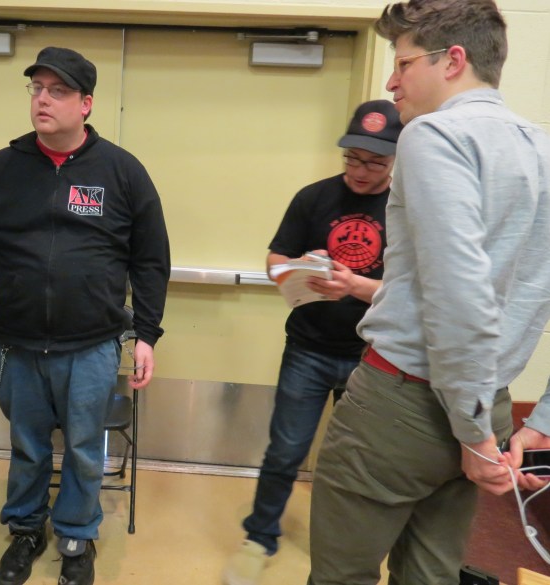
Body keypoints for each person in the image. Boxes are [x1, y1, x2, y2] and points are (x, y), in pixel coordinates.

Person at [306, 1, 550, 584]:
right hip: (488, 400)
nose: (392, 82)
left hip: (407, 405)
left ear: (453, 60)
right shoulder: (542, 150)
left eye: (403, 63)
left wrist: (471, 431)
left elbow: (459, 294)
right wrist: (540, 422)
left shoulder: (434, 134)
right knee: (431, 574)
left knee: (342, 576)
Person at [0, 46, 170, 585]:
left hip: (92, 345)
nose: (43, 100)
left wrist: (146, 334)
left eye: (58, 91)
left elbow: (150, 260)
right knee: (27, 447)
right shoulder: (1, 169)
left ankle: (76, 532)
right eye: (37, 89)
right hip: (17, 343)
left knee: (83, 448)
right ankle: (26, 529)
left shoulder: (121, 171)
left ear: (86, 104)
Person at [223, 100, 402, 585]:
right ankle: (259, 537)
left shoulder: (406, 210)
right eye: (352, 159)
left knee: (361, 461)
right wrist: (297, 267)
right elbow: (274, 260)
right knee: (285, 450)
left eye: (374, 163)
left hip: (373, 356)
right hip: (308, 348)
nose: (359, 171)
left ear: (395, 159)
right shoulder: (314, 198)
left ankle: (346, 548)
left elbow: (414, 292)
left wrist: (354, 286)